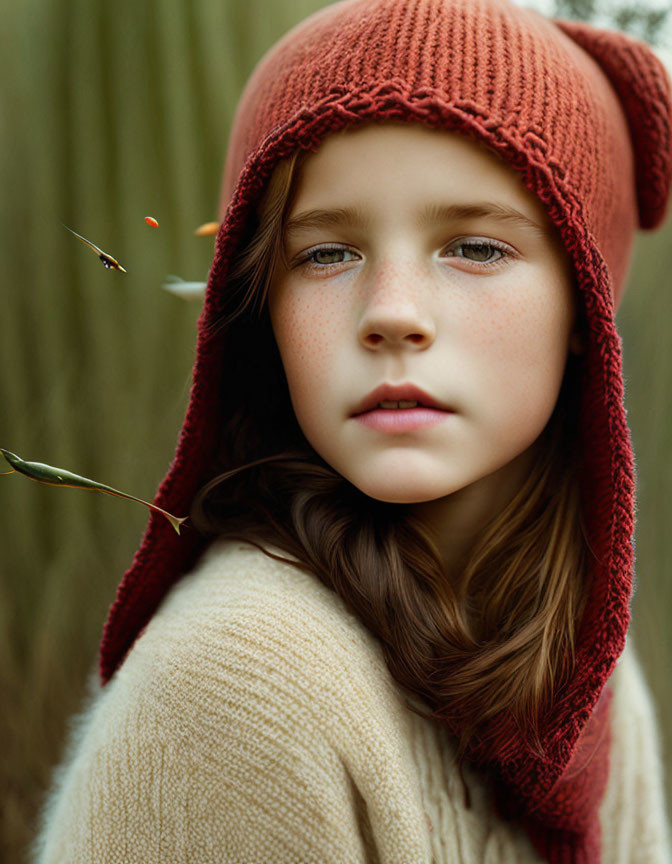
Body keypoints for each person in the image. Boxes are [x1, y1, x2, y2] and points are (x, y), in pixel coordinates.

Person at [30, 0, 672, 861]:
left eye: (475, 247)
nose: (392, 314)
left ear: (584, 310)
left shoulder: (585, 668)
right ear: (260, 309)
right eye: (326, 253)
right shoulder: (242, 689)